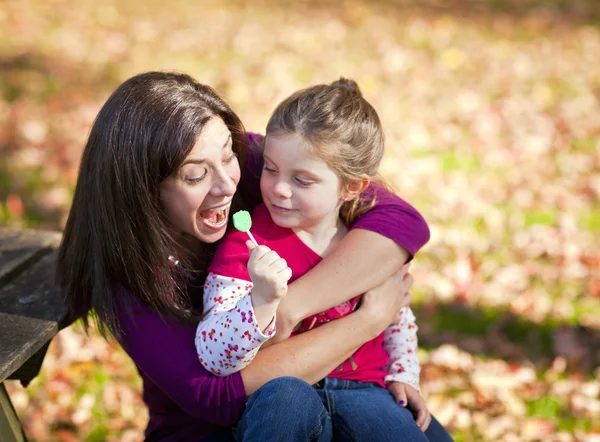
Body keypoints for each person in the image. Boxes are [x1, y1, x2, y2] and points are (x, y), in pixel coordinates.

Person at [56, 71, 451, 442]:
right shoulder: (126, 279)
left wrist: (294, 307)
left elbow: (402, 220)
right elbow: (215, 397)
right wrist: (368, 319)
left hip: (345, 391)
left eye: (229, 155)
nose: (229, 184)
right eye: (196, 176)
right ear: (143, 188)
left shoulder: (260, 170)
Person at [195, 78, 446, 441]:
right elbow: (213, 355)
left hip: (366, 391)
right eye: (270, 168)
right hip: (281, 388)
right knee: (284, 406)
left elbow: (397, 316)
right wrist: (259, 302)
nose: (279, 188)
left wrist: (404, 375)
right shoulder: (247, 245)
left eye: (303, 180)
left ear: (352, 187)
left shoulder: (368, 247)